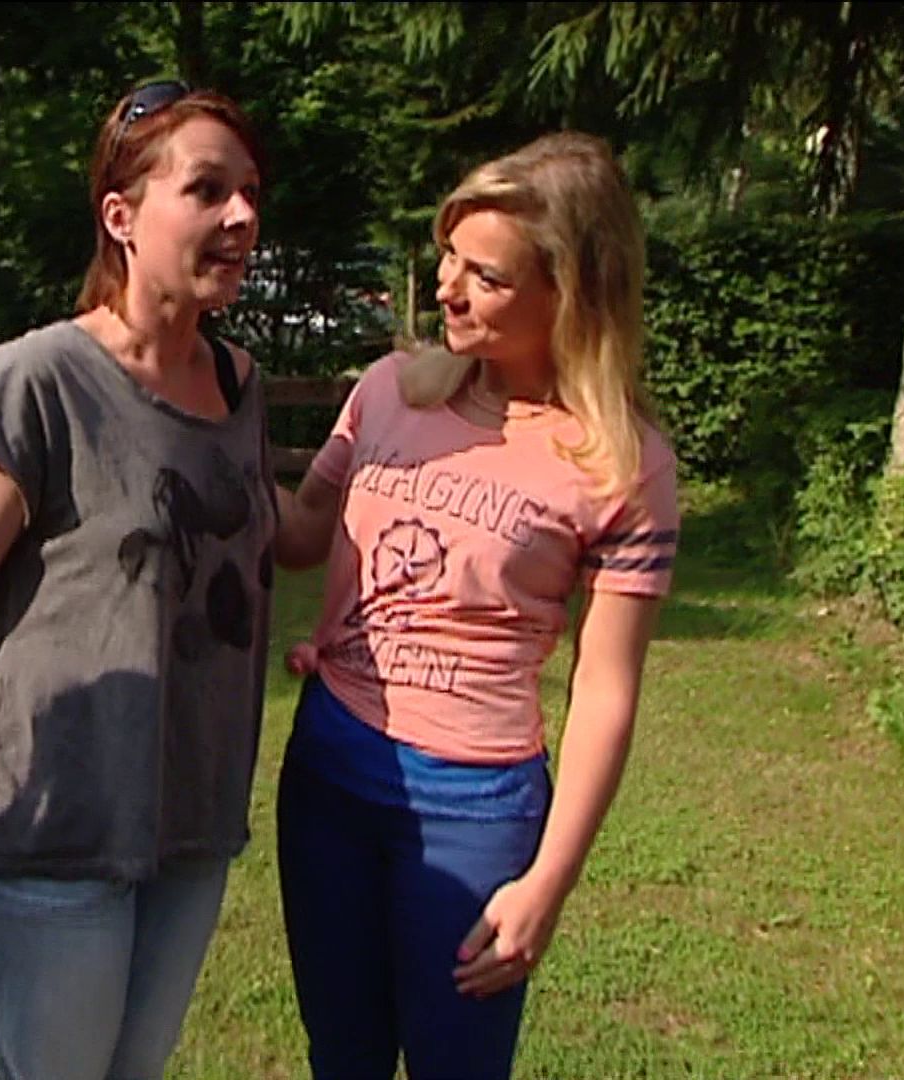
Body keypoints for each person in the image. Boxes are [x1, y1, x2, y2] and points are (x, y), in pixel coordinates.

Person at [0, 80, 276, 1080]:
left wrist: (405, 435)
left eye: (251, 193)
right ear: (121, 217)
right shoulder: (37, 382)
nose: (242, 216)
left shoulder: (237, 383)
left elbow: (271, 527)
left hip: (187, 820)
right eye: (208, 189)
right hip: (44, 830)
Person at [272, 131, 679, 1079]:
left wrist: (549, 881)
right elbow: (299, 535)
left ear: (571, 292)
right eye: (448, 257)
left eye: (485, 276)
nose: (447, 288)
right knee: (342, 1057)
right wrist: (199, 418)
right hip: (330, 770)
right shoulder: (390, 392)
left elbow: (605, 689)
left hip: (474, 808)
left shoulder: (623, 466)